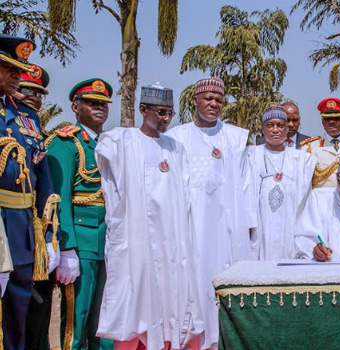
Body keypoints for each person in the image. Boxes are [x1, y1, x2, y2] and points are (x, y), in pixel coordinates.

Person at [95, 83, 203, 350]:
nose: (166, 119)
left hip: (171, 242)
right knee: (136, 300)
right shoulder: (122, 140)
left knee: (170, 298)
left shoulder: (175, 148)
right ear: (143, 109)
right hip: (138, 240)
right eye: (160, 112)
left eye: (170, 113)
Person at [166, 77, 254, 350]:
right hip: (190, 228)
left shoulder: (236, 138)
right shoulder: (176, 137)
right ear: (195, 101)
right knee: (191, 283)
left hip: (226, 229)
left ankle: (223, 339)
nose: (214, 104)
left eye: (219, 100)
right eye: (208, 99)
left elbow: (246, 185)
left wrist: (248, 227)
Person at [46, 78, 114, 350]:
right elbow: (59, 198)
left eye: (104, 103)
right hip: (81, 241)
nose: (99, 108)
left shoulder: (109, 143)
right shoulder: (66, 142)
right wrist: (67, 247)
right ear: (75, 106)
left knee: (105, 317)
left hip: (108, 241)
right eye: (91, 102)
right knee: (79, 315)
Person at [0, 34, 59, 350]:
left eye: (17, 70)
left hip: (23, 225)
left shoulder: (28, 118)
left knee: (19, 305)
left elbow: (43, 179)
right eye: (8, 69)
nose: (16, 76)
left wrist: (49, 238)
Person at [249, 105, 316, 260]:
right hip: (259, 229)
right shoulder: (250, 156)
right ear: (263, 129)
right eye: (270, 125)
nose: (275, 130)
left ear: (287, 130)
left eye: (280, 125)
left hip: (289, 228)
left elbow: (306, 203)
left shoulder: (301, 160)